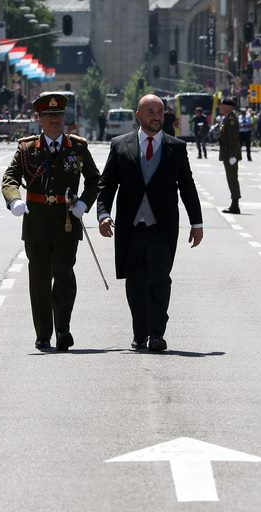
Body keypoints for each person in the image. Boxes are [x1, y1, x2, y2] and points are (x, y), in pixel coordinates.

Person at [96, 94, 203, 352]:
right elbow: (107, 184)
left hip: (162, 228)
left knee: (159, 280)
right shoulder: (120, 145)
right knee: (135, 283)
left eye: (160, 111)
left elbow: (187, 187)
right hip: (130, 228)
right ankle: (139, 333)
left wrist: (196, 223)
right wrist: (103, 214)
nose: (157, 116)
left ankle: (157, 334)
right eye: (151, 111)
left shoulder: (176, 148)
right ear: (139, 115)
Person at [0, 92, 101, 351]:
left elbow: (94, 180)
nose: (55, 120)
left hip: (67, 221)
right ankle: (43, 333)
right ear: (40, 119)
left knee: (64, 275)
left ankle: (63, 329)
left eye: (58, 116)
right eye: (49, 116)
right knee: (40, 279)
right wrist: (14, 200)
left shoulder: (77, 147)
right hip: (37, 224)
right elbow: (10, 178)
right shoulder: (26, 149)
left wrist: (84, 204)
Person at [217, 97, 242, 214]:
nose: (221, 107)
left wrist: (233, 156)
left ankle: (235, 205)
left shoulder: (231, 119)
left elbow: (233, 139)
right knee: (230, 179)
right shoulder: (226, 118)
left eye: (223, 106)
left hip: (230, 154)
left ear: (229, 107)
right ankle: (234, 204)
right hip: (227, 153)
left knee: (232, 179)